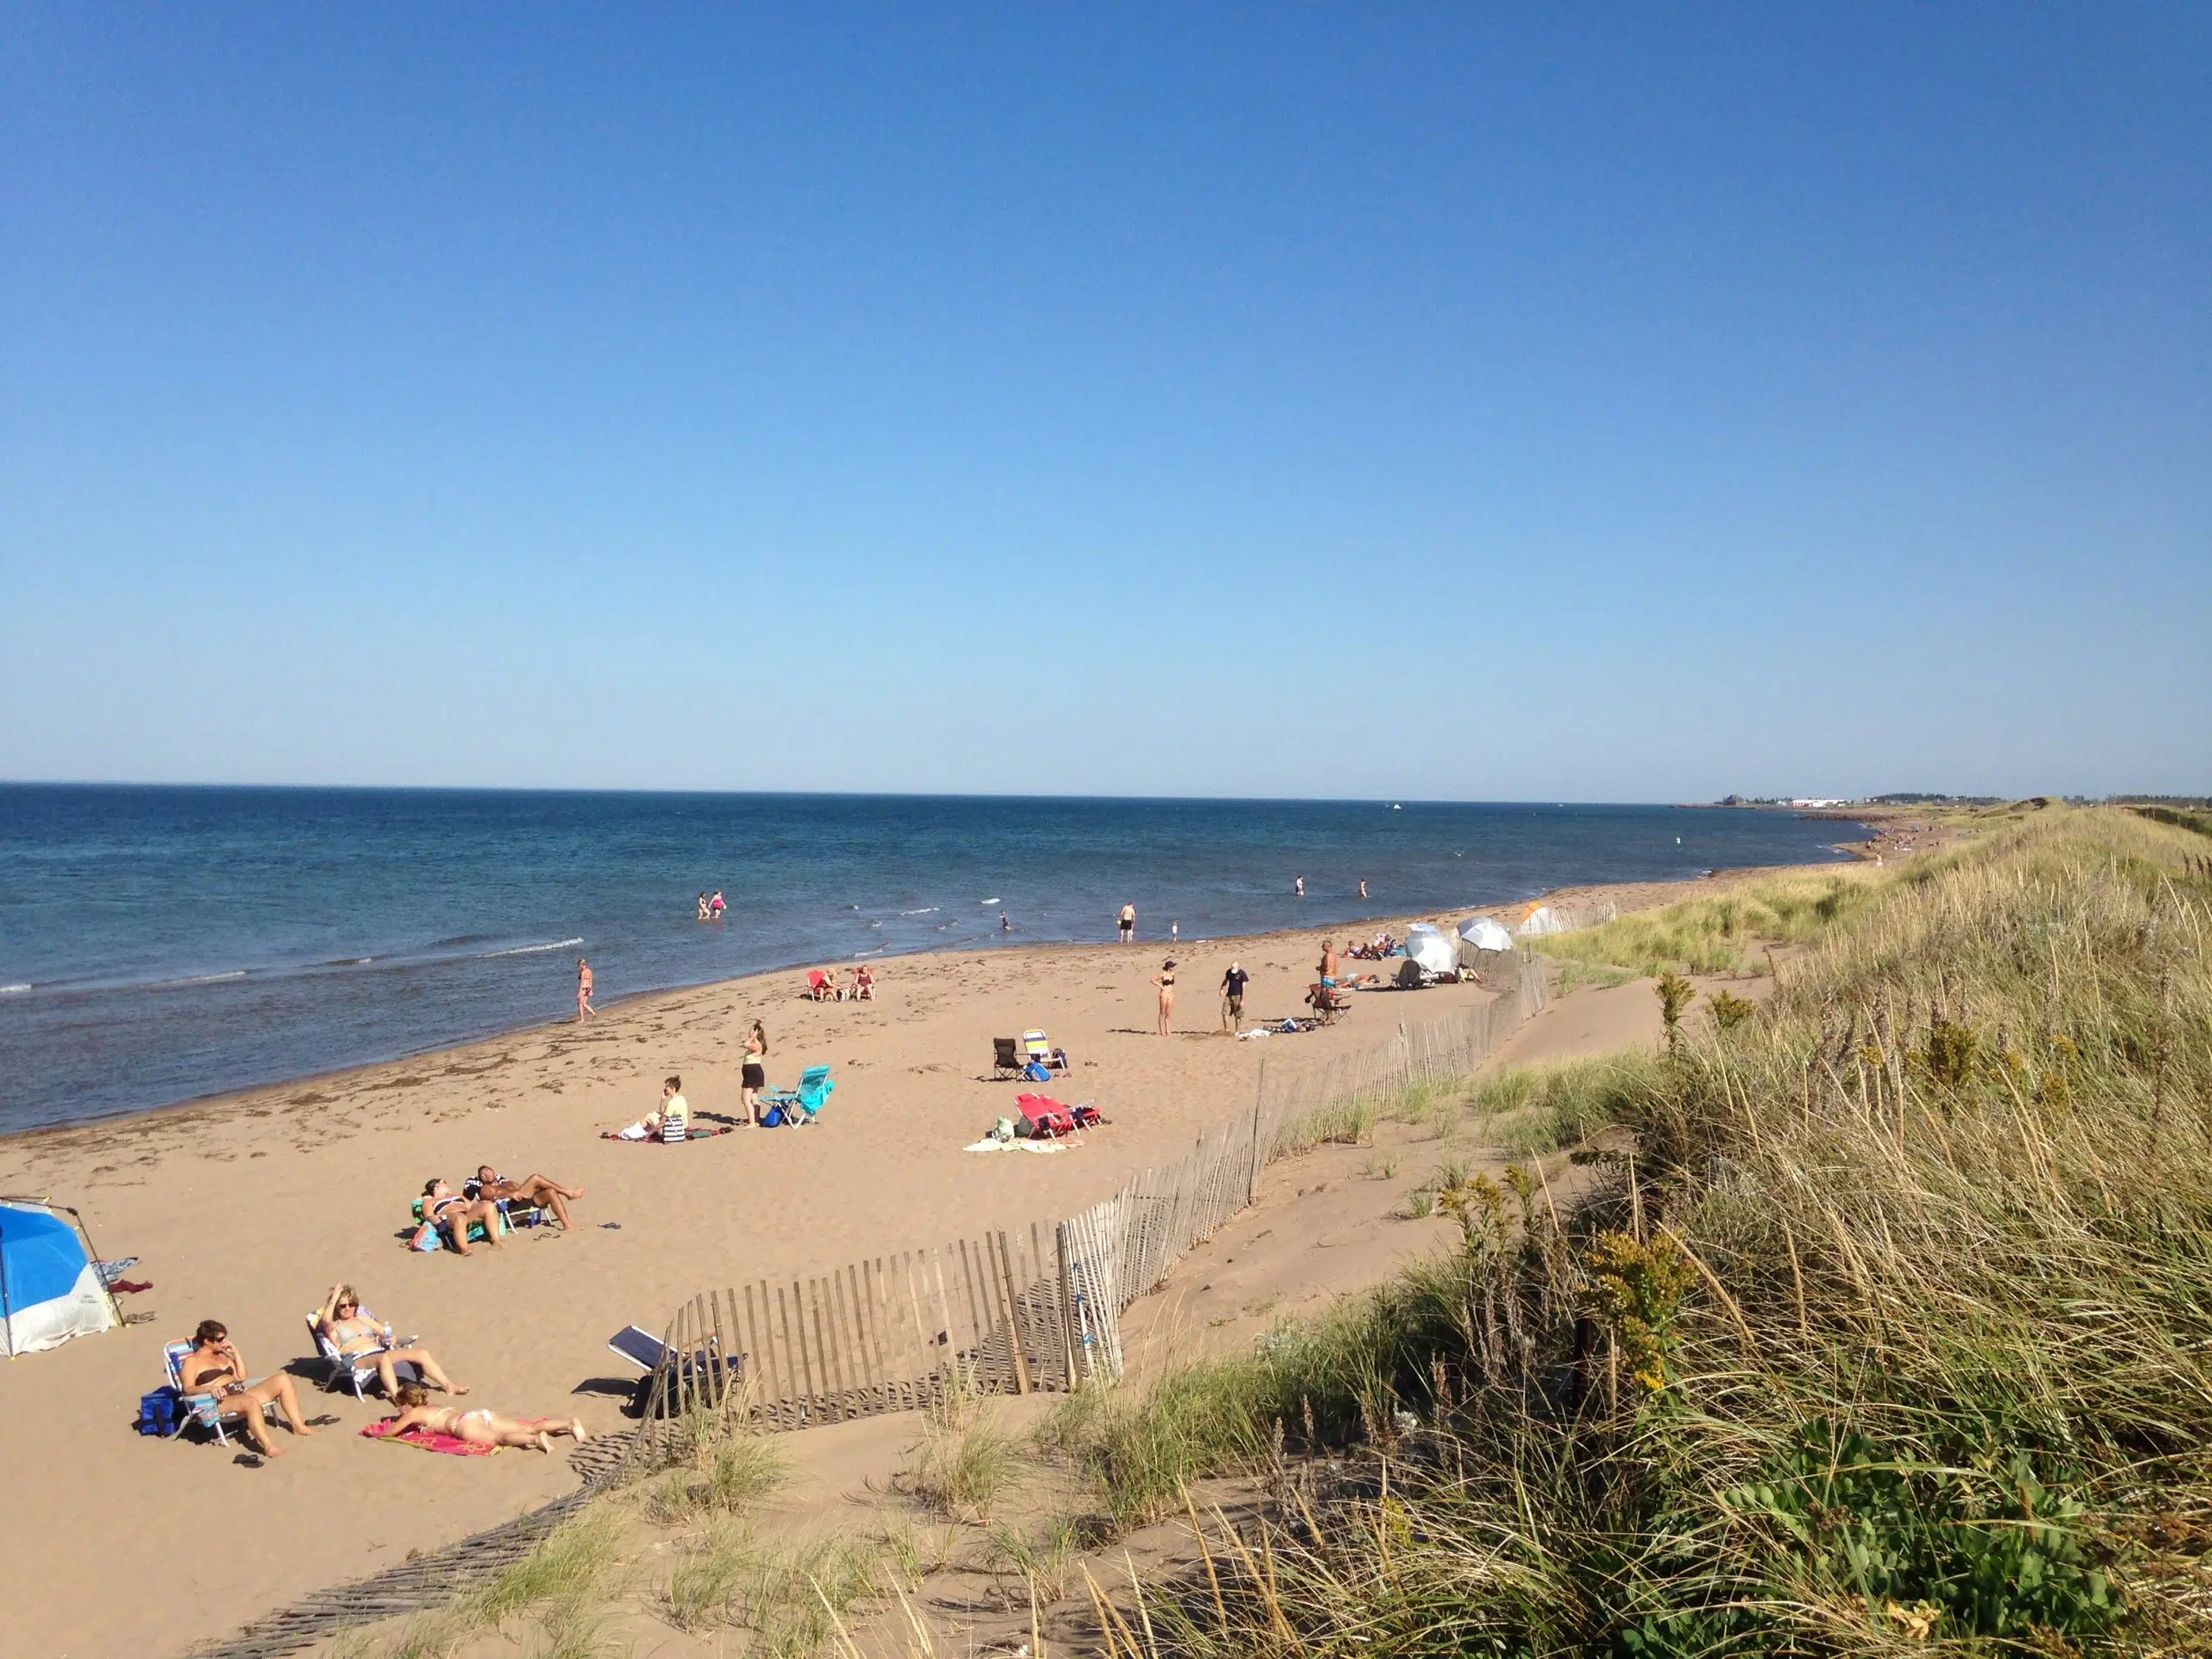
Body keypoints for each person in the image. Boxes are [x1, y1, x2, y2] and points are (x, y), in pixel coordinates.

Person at [175, 1319, 317, 1457]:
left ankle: (298, 1426)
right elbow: (188, 1388)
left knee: (283, 1379)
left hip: (240, 1392)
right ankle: (269, 1447)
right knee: (250, 1403)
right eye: (220, 1339)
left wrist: (235, 1353)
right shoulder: (192, 1362)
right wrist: (209, 1389)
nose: (224, 1342)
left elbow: (241, 1377)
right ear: (207, 1341)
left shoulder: (222, 1356)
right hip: (218, 1401)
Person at [316, 1284, 467, 1396]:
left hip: (379, 1352)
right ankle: (397, 1398)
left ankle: (449, 1385)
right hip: (356, 1359)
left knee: (421, 1353)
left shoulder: (362, 1318)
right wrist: (335, 1296)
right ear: (336, 1307)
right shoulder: (334, 1326)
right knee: (384, 1359)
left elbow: (385, 1333)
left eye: (352, 1304)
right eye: (343, 1306)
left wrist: (391, 1338)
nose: (348, 1308)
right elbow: (326, 1318)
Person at [382, 1382, 588, 1453]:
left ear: (406, 1404)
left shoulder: (414, 1413)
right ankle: (569, 1424)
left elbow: (390, 1432)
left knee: (500, 1439)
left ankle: (535, 1441)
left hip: (463, 1425)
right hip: (478, 1413)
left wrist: (379, 1432)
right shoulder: (434, 1407)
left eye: (400, 1407)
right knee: (529, 1425)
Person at [468, 1166, 584, 1230]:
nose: (487, 1174)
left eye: (488, 1170)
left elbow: (523, 1189)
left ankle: (567, 1226)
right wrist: (509, 1195)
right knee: (535, 1178)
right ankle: (568, 1193)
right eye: (483, 1174)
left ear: (493, 1171)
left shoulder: (507, 1183)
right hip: (512, 1206)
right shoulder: (485, 1188)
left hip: (526, 1200)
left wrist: (539, 1189)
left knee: (550, 1192)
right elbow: (492, 1199)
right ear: (481, 1179)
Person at [422, 1178, 503, 1255]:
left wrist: (483, 1204)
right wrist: (432, 1217)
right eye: (444, 1183)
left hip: (467, 1215)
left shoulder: (457, 1195)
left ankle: (496, 1241)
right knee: (459, 1217)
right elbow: (428, 1215)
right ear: (437, 1185)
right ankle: (464, 1249)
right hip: (451, 1218)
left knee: (488, 1205)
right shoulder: (430, 1201)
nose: (447, 1185)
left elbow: (470, 1206)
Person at [741, 1022, 768, 1124]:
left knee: (745, 1099)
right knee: (753, 1098)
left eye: (753, 1030)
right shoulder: (755, 1044)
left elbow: (745, 1044)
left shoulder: (757, 1045)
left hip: (753, 1073)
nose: (750, 1031)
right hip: (751, 1072)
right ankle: (756, 1120)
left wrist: (752, 1037)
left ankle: (752, 1123)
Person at [1220, 961, 1249, 1033]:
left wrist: (1242, 1000)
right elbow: (1225, 981)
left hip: (1238, 996)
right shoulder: (1229, 972)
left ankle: (1237, 1031)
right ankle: (1226, 1029)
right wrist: (1221, 989)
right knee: (1225, 1012)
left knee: (1238, 1014)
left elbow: (1243, 988)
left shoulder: (1242, 974)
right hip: (1229, 995)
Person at [1152, 959, 1176, 1036]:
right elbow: (1153, 980)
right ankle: (1162, 1031)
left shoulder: (1173, 974)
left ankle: (1168, 1031)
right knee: (1162, 1013)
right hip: (1164, 993)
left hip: (1171, 994)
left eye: (1173, 966)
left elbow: (1171, 983)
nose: (1172, 967)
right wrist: (1161, 986)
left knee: (1168, 1013)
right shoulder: (1163, 974)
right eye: (1171, 966)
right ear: (1168, 967)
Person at [575, 957, 594, 1022]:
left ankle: (582, 1019)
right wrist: (591, 989)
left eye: (578, 965)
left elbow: (581, 982)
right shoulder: (589, 971)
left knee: (580, 1004)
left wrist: (579, 991)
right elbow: (591, 980)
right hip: (588, 988)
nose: (578, 967)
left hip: (583, 988)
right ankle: (593, 1013)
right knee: (584, 1003)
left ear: (581, 965)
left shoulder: (583, 972)